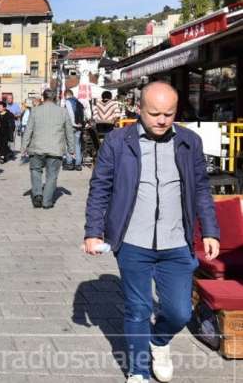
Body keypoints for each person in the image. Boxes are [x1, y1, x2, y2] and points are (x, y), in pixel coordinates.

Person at [83, 81, 220, 383]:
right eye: (154, 113)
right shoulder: (118, 142)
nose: (161, 120)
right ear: (139, 109)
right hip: (133, 241)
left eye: (168, 114)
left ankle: (159, 341)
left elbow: (200, 189)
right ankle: (138, 371)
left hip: (177, 242)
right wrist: (93, 231)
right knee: (138, 308)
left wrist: (210, 230)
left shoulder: (189, 142)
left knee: (180, 312)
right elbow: (100, 188)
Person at [22, 89, 75, 209]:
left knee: (35, 171)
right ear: (55, 98)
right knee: (51, 176)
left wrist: (24, 147)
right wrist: (71, 149)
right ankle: (47, 202)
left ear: (43, 97)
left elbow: (28, 130)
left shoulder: (35, 111)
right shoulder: (63, 111)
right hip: (55, 149)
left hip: (36, 148)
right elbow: (69, 131)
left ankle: (37, 195)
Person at [63, 89, 84, 171]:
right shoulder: (78, 102)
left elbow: (71, 113)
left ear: (67, 95)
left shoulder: (68, 102)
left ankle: (69, 163)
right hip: (79, 126)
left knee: (69, 144)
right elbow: (84, 114)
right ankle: (78, 164)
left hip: (71, 126)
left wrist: (73, 123)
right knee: (77, 144)